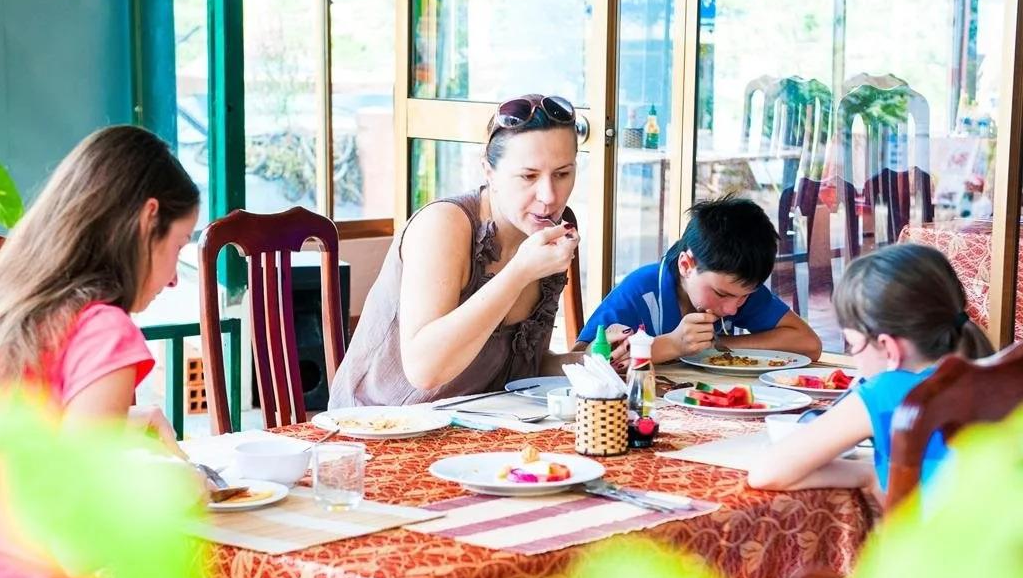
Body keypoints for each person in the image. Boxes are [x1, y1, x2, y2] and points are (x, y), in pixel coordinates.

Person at [0, 124, 199, 578]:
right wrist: (176, 488)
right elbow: (76, 541)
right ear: (146, 219)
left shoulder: (14, 304)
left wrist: (121, 424)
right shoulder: (101, 331)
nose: (173, 278)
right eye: (179, 246)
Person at [329, 94, 583, 407]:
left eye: (562, 174)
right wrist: (520, 272)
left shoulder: (553, 230)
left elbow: (520, 368)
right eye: (528, 176)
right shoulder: (444, 225)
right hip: (380, 424)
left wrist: (590, 361)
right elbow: (426, 370)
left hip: (482, 423)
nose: (549, 196)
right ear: (489, 171)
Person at [747, 243, 994, 498]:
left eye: (853, 344)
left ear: (889, 348)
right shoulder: (999, 376)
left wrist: (869, 476)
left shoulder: (889, 390)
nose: (854, 356)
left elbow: (766, 472)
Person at [574, 195, 821, 368]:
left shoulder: (737, 286)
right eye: (721, 294)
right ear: (686, 265)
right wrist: (671, 345)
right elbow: (578, 359)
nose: (732, 309)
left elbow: (809, 344)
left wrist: (717, 344)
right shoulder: (641, 291)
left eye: (744, 296)